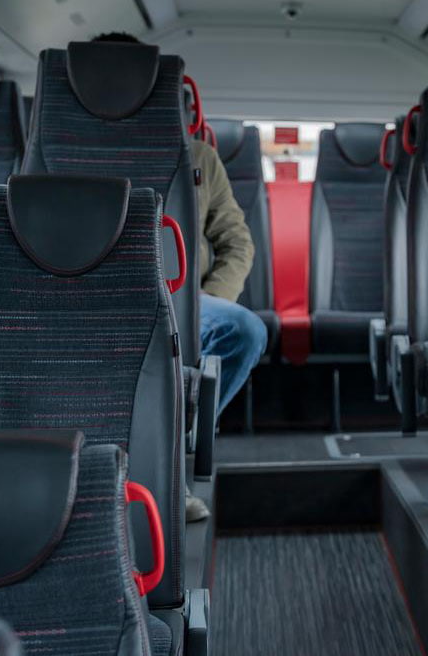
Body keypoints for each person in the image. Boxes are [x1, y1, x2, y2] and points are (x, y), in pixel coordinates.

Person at [91, 33, 267, 522]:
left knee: (245, 329)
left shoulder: (199, 158)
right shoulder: (59, 147)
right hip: (85, 295)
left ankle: (177, 444)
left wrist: (199, 304)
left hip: (180, 295)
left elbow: (238, 243)